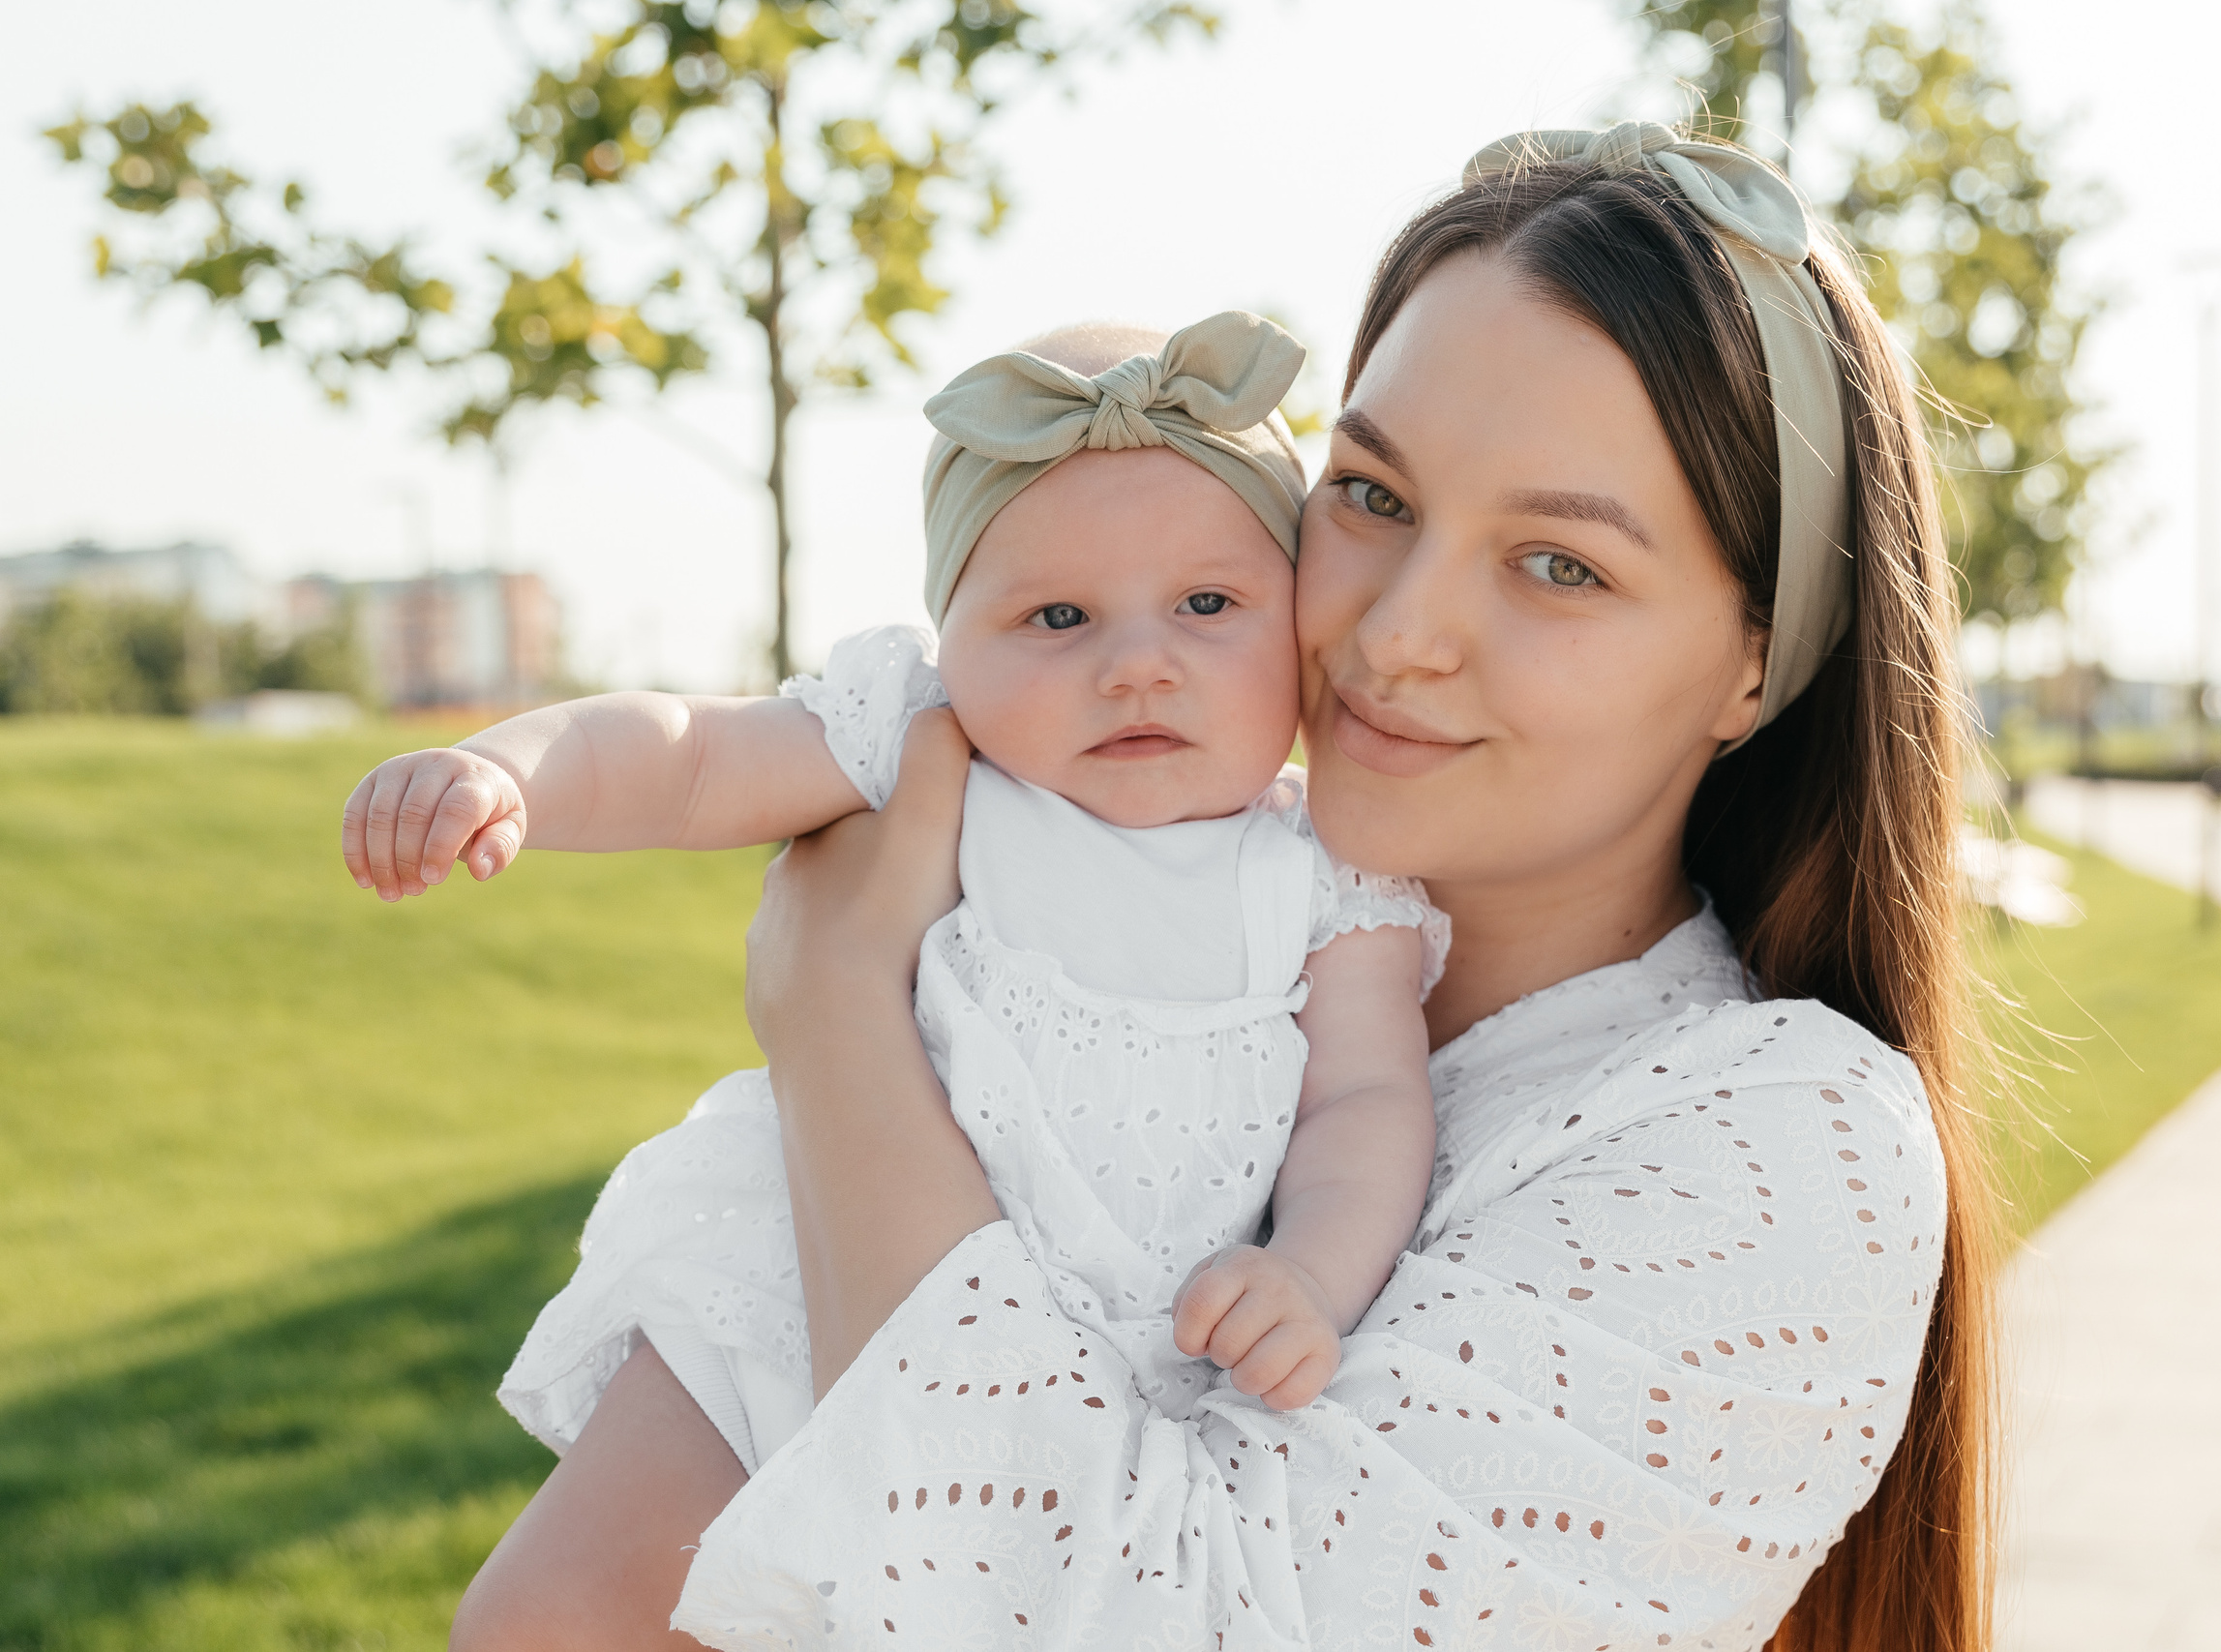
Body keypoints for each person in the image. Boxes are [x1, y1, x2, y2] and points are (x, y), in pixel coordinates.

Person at [453, 120, 1998, 1652]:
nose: (1398, 632)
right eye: (1375, 498)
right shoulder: (1173, 875)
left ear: (1755, 657)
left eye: (1561, 564)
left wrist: (835, 1001)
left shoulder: (1780, 1142)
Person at [343, 313, 1450, 1450]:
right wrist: (507, 772)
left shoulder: (1326, 870)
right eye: (1056, 617)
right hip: (805, 1274)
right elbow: (690, 756)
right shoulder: (926, 746)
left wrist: (1309, 1274)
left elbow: (1365, 1104)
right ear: (950, 638)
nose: (1136, 667)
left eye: (1207, 606)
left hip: (1156, 1347)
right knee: (552, 1620)